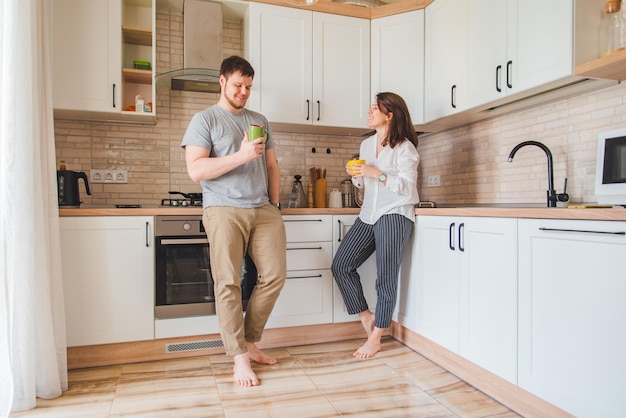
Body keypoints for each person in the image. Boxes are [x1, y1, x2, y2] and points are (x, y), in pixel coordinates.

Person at [181, 55, 286, 387]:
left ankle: (251, 341)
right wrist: (241, 155)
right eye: (238, 85)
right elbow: (196, 170)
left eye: (249, 87)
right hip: (223, 209)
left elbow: (271, 166)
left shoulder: (259, 120)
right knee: (228, 283)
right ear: (222, 81)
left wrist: (275, 203)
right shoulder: (205, 120)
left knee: (274, 276)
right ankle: (239, 357)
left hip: (263, 210)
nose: (243, 92)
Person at [332, 92, 420, 359]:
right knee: (341, 265)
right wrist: (357, 175)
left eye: (374, 108)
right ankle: (366, 316)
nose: (369, 112)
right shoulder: (367, 144)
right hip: (368, 213)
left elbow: (407, 187)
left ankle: (378, 336)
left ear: (389, 114)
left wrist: (377, 173)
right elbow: (364, 184)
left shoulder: (405, 148)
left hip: (394, 214)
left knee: (386, 276)